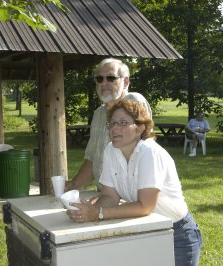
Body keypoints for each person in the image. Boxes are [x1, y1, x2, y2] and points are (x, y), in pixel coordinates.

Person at [66, 99, 203, 266]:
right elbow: (110, 195)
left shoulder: (149, 152)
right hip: (144, 229)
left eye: (123, 123)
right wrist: (87, 212)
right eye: (112, 123)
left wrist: (99, 213)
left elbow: (145, 206)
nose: (115, 128)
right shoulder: (111, 150)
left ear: (140, 128)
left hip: (177, 235)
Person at [65, 58, 152, 191]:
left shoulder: (133, 102)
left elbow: (143, 155)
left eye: (111, 78)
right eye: (99, 79)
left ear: (125, 82)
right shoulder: (98, 114)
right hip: (106, 195)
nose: (104, 83)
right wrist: (73, 185)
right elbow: (93, 160)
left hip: (131, 196)